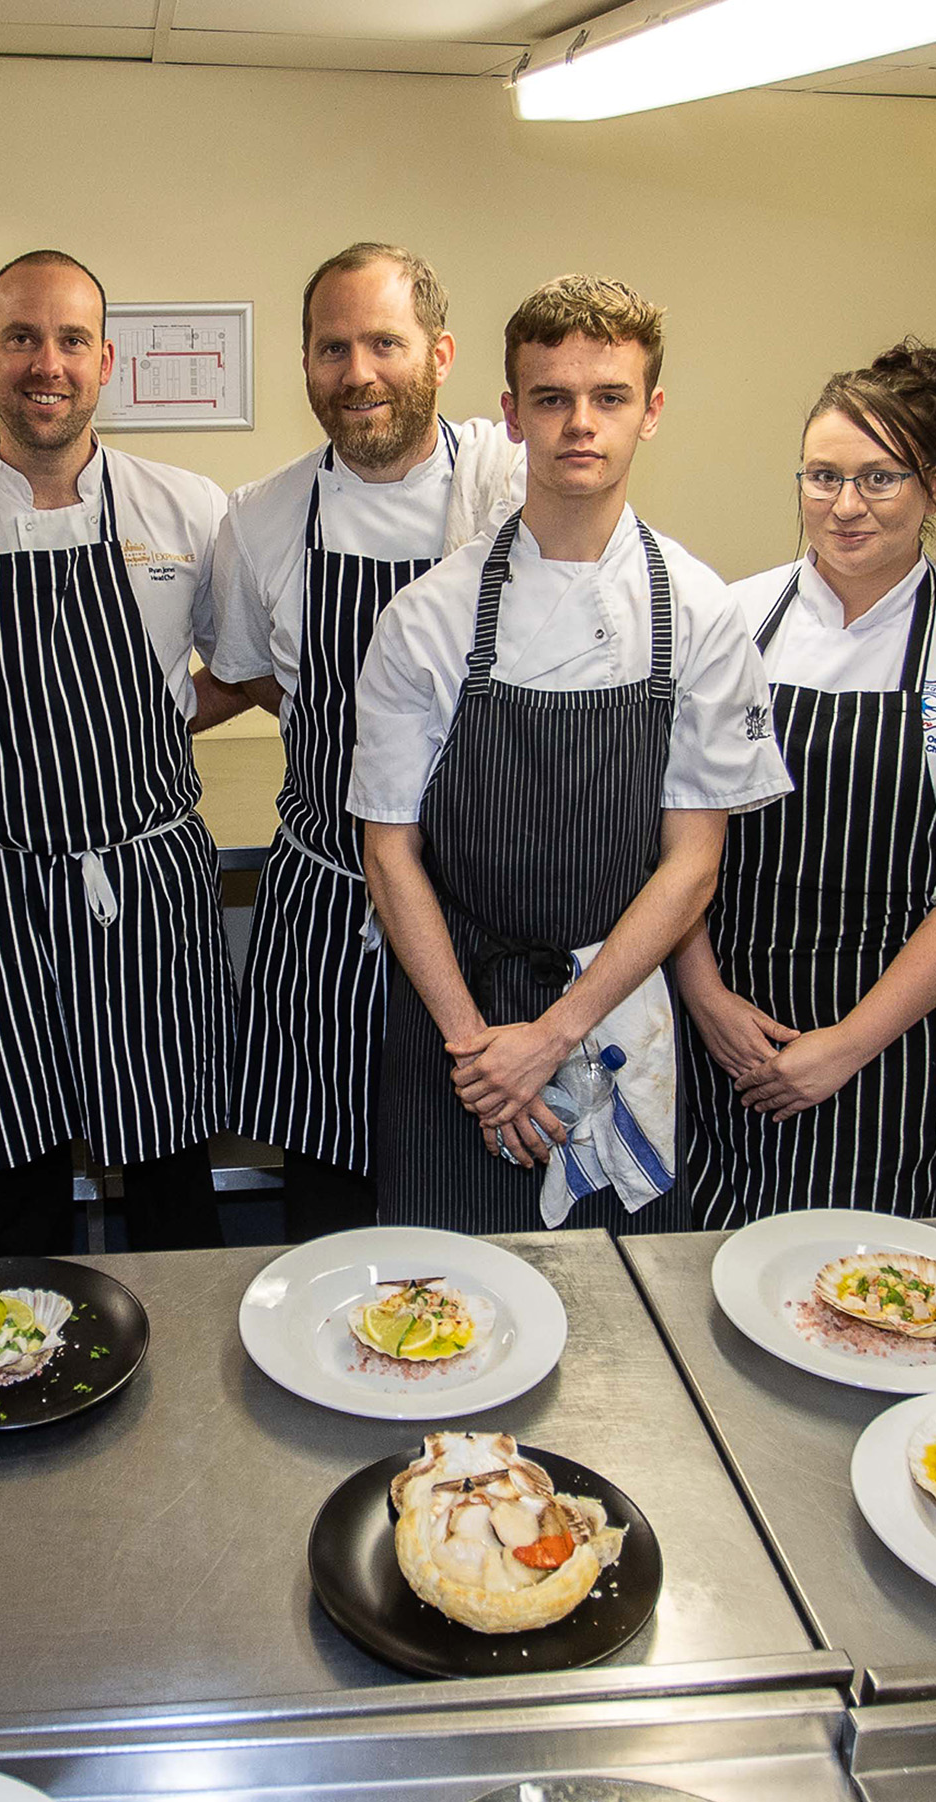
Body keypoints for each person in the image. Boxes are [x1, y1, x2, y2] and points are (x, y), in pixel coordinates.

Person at [353, 275, 784, 1237]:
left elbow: (694, 863)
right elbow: (390, 853)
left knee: (624, 1328)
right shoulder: (427, 618)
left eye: (609, 397)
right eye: (551, 398)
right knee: (442, 1311)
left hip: (618, 1016)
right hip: (456, 1023)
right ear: (511, 414)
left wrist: (553, 1036)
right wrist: (483, 1056)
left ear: (652, 412)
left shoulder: (701, 615)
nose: (578, 424)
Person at [0, 250, 242, 1256]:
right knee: (21, 1169)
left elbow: (249, 664)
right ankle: (29, 1378)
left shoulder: (188, 510)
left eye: (70, 340)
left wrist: (149, 713)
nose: (46, 362)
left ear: (105, 360)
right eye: (21, 337)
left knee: (167, 1157)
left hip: (148, 884)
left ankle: (186, 1369)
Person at [674, 342, 936, 1226]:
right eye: (822, 476)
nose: (845, 507)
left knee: (884, 1288)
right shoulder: (729, 619)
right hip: (727, 1022)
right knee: (705, 1269)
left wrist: (846, 1046)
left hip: (899, 1047)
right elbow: (675, 830)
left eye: (880, 479)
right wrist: (705, 996)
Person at [201, 242, 522, 1241]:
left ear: (441, 351)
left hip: (481, 900)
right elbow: (256, 672)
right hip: (327, 900)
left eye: (384, 342)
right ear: (304, 363)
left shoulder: (514, 487)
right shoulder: (260, 518)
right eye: (331, 348)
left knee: (476, 1178)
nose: (358, 373)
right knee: (329, 1196)